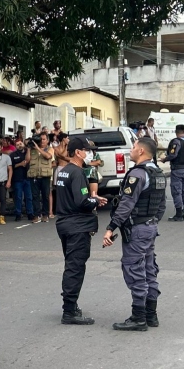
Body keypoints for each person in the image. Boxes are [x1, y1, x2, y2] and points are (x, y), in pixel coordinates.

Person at [103, 137, 166, 331]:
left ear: (141, 151)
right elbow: (162, 205)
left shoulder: (137, 174)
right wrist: (152, 223)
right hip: (150, 227)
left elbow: (126, 204)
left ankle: (138, 317)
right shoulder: (158, 173)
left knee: (135, 270)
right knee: (149, 269)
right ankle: (151, 315)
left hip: (137, 229)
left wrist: (111, 227)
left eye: (133, 147)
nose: (130, 150)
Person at [54, 137, 108, 325]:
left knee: (71, 265)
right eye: (87, 150)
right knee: (75, 268)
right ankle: (69, 310)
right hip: (77, 226)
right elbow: (82, 201)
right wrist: (95, 201)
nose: (89, 153)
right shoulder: (77, 173)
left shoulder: (63, 171)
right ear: (78, 152)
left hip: (65, 224)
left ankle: (70, 306)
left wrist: (91, 199)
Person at [160, 124, 184, 221]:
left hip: (177, 170)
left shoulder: (176, 142)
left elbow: (173, 155)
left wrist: (164, 159)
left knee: (176, 192)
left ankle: (179, 214)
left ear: (176, 131)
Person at [27, 133, 53, 223]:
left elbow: (48, 156)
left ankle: (45, 215)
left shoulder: (50, 149)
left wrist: (38, 149)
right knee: (35, 196)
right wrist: (28, 148)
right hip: (34, 176)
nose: (41, 141)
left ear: (47, 140)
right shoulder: (32, 150)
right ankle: (36, 215)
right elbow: (27, 160)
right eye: (40, 139)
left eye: (44, 139)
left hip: (45, 176)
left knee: (45, 196)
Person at [10, 140, 34, 222]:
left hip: (27, 178)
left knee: (29, 197)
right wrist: (20, 164)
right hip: (17, 179)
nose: (19, 145)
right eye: (17, 145)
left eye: (20, 144)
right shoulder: (13, 155)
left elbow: (28, 160)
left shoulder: (27, 152)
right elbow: (11, 166)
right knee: (18, 197)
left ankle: (30, 213)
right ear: (15, 146)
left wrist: (29, 149)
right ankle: (18, 214)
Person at [50, 132, 70, 219]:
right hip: (60, 168)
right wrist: (65, 147)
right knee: (58, 190)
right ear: (63, 139)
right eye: (67, 138)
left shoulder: (69, 148)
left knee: (67, 189)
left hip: (67, 168)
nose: (68, 140)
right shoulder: (56, 148)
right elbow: (61, 156)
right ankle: (59, 208)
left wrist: (66, 148)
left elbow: (69, 158)